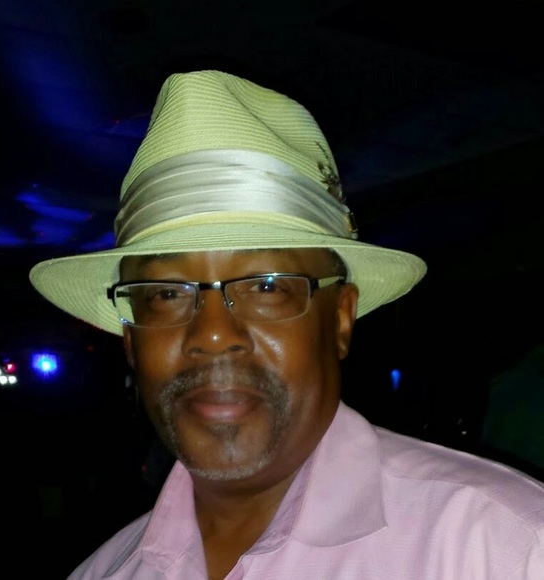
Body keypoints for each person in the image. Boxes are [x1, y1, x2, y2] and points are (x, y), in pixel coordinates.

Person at [29, 69, 544, 579]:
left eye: (267, 286)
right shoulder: (105, 572)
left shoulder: (502, 548)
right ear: (130, 339)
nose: (212, 334)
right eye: (166, 293)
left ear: (340, 319)